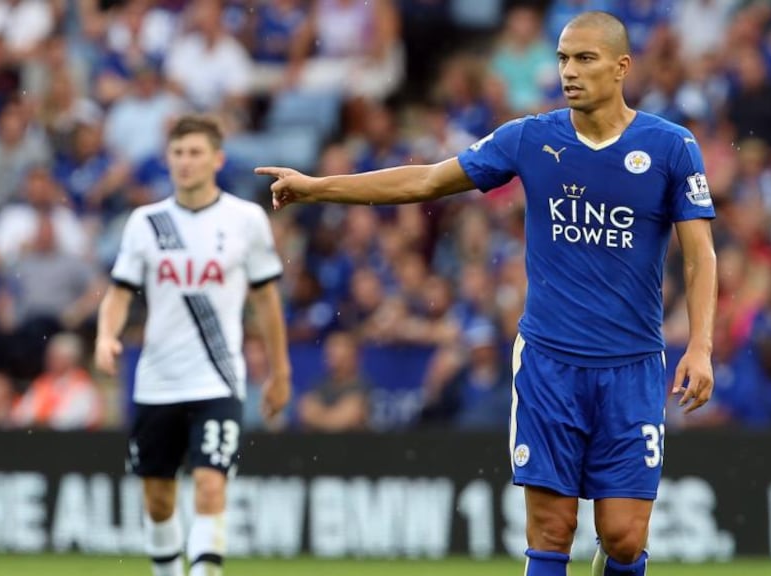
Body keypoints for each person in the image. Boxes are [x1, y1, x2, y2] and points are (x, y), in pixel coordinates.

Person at [257, 12, 717, 576]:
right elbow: (426, 179)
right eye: (563, 59)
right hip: (550, 362)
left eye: (585, 59)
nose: (569, 71)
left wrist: (700, 346)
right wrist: (318, 187)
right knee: (552, 529)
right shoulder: (530, 138)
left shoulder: (670, 147)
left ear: (622, 67)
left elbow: (700, 255)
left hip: (632, 366)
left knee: (623, 538)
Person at [96, 114, 291, 576]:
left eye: (196, 152)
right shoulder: (147, 222)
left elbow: (267, 302)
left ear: (217, 159)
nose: (186, 162)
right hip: (158, 380)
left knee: (210, 485)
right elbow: (119, 293)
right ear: (168, 159)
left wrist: (280, 373)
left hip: (218, 378)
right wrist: (106, 335)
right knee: (158, 497)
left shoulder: (246, 220)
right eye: (179, 153)